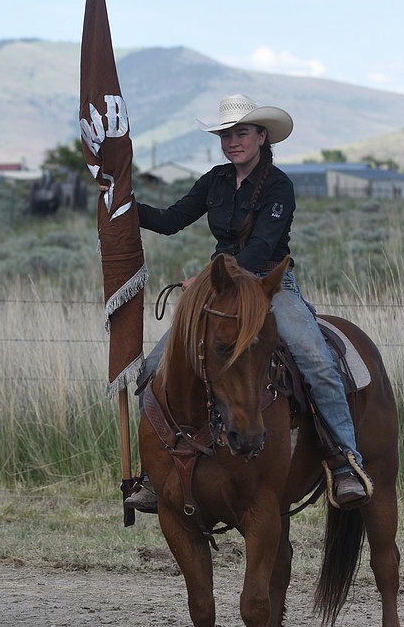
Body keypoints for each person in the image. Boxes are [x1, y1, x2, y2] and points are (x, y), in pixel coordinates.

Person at [124, 94, 372, 511]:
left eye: (241, 133)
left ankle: (345, 460)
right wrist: (123, 207)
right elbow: (169, 221)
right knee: (154, 367)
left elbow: (260, 250)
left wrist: (207, 279)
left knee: (316, 360)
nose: (232, 141)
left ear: (261, 136)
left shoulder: (279, 186)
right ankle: (155, 470)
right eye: (226, 135)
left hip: (269, 287)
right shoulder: (215, 180)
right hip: (220, 291)